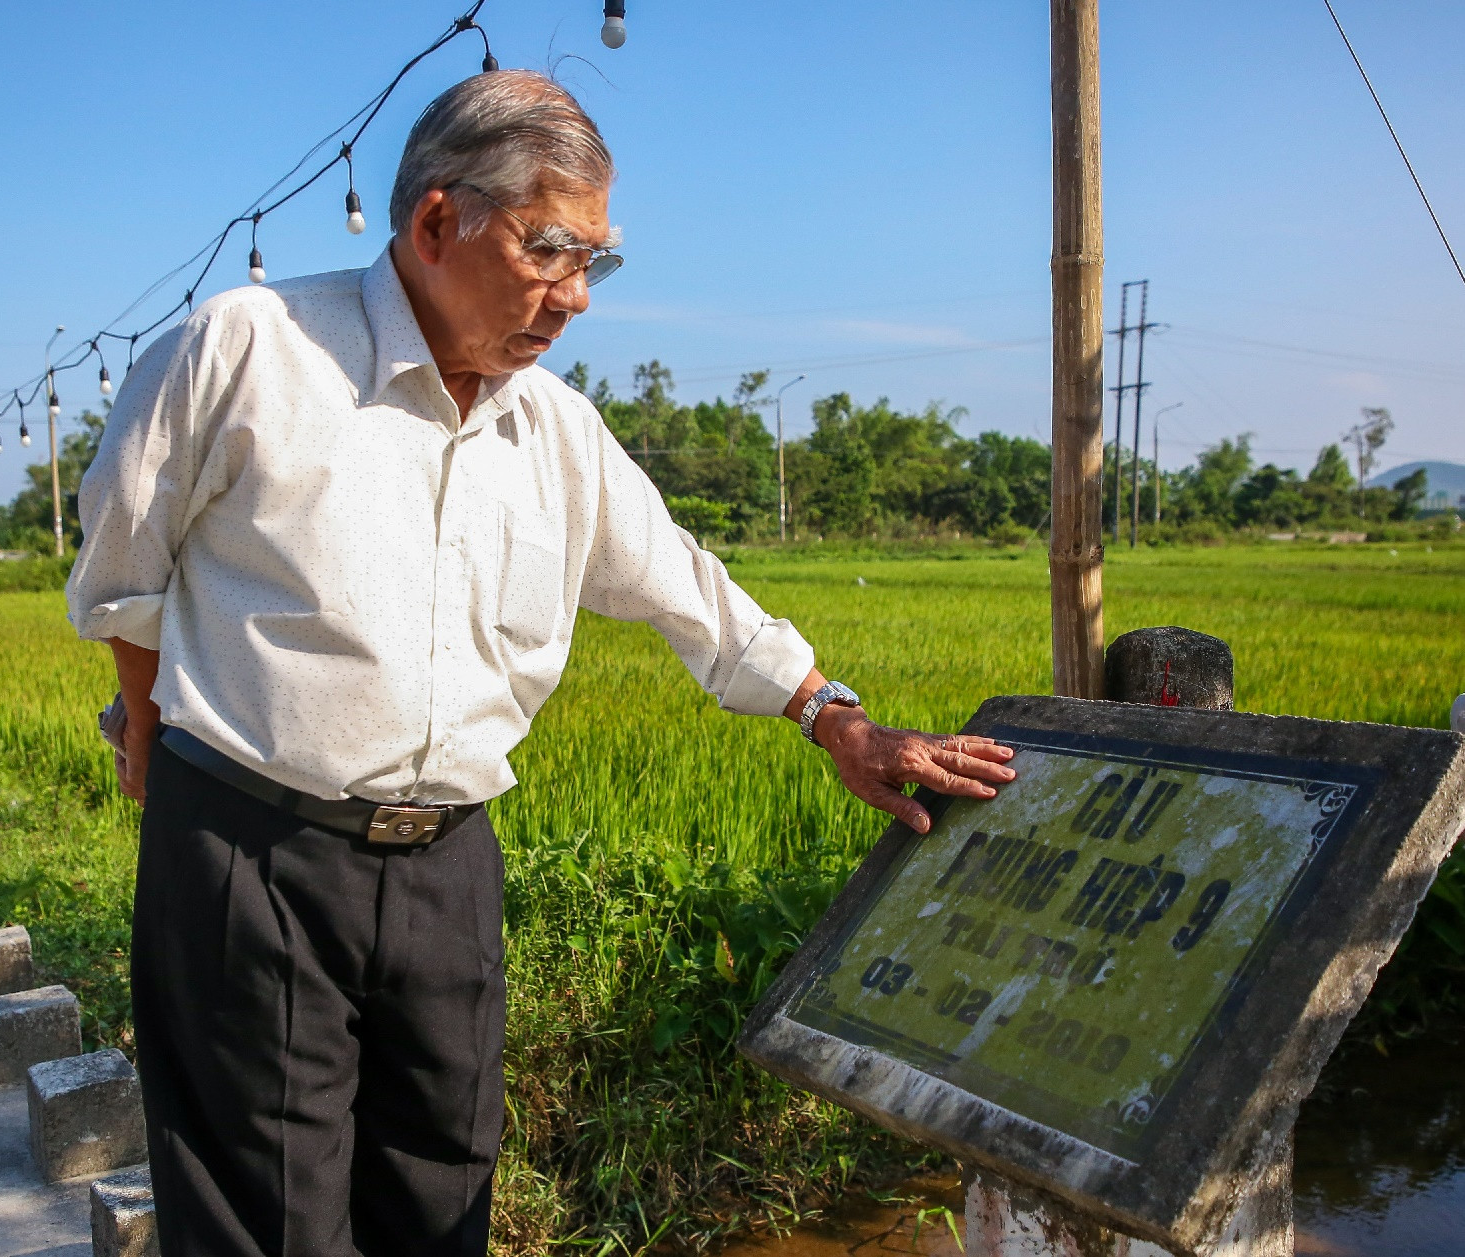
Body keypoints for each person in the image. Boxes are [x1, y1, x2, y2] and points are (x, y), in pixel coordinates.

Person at [67, 69, 1014, 1257]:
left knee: (443, 1193)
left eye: (594, 264)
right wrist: (146, 722)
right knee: (265, 1214)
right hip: (252, 852)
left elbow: (686, 590)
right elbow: (123, 564)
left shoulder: (555, 430)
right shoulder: (250, 351)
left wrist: (834, 715)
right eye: (549, 251)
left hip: (445, 869)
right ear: (433, 223)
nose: (572, 297)